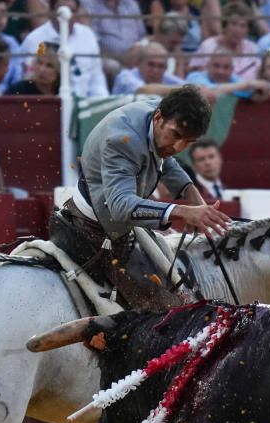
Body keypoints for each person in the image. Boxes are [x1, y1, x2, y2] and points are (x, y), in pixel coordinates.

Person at [51, 86, 231, 310]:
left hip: (117, 219)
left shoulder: (160, 117)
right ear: (158, 118)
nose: (178, 147)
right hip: (95, 227)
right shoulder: (122, 140)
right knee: (167, 312)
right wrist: (183, 211)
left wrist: (192, 195)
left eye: (188, 142)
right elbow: (120, 207)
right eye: (176, 135)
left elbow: (165, 159)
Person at [19, 0, 108, 97]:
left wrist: (102, 104)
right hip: (47, 102)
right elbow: (29, 81)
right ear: (51, 11)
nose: (67, 15)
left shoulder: (88, 36)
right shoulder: (35, 40)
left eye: (71, 10)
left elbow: (97, 80)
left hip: (84, 105)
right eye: (61, 10)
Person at [189, 2, 261, 81]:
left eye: (243, 26)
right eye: (234, 24)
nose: (238, 30)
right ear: (225, 26)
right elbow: (195, 76)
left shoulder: (252, 48)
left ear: (248, 30)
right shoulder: (208, 46)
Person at [184, 48, 270, 99]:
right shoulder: (194, 77)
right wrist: (247, 85)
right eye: (216, 66)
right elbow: (210, 93)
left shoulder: (234, 79)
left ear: (232, 69)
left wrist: (258, 92)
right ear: (207, 66)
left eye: (226, 67)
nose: (221, 71)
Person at [112, 42, 185, 95]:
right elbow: (143, 90)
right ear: (138, 63)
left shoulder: (164, 75)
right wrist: (184, 90)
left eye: (160, 66)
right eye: (151, 64)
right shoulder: (125, 76)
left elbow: (187, 85)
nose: (156, 70)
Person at [189, 136, 225, 201]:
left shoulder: (227, 190)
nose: (208, 163)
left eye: (211, 157)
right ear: (194, 165)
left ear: (220, 159)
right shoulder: (189, 194)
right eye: (201, 159)